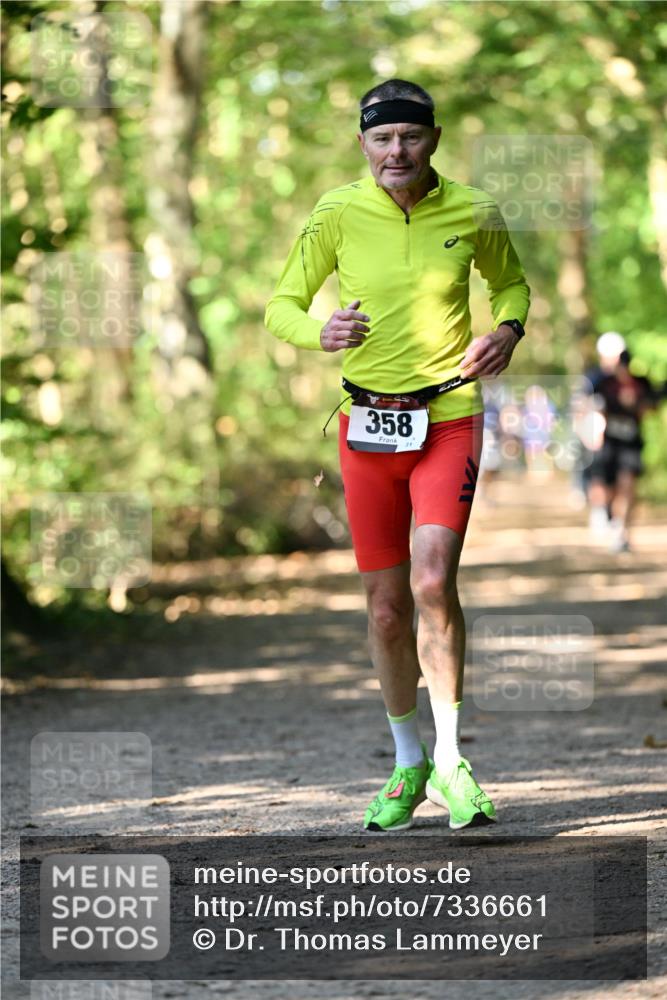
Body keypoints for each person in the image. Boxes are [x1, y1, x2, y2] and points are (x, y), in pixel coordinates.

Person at [265, 79, 530, 831]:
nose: (396, 151)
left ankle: (451, 759)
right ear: (361, 145)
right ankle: (407, 761)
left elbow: (511, 284)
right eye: (381, 139)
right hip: (366, 427)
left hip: (447, 415)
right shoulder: (336, 213)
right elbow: (281, 304)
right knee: (385, 610)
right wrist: (315, 333)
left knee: (430, 578)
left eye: (410, 137)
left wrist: (505, 332)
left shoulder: (474, 211)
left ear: (434, 141)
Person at [587, 347, 658, 552]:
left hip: (631, 445)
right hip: (609, 444)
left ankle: (622, 531)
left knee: (628, 485)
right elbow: (595, 408)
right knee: (607, 488)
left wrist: (637, 405)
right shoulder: (604, 384)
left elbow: (651, 407)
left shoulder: (641, 385)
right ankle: (603, 513)